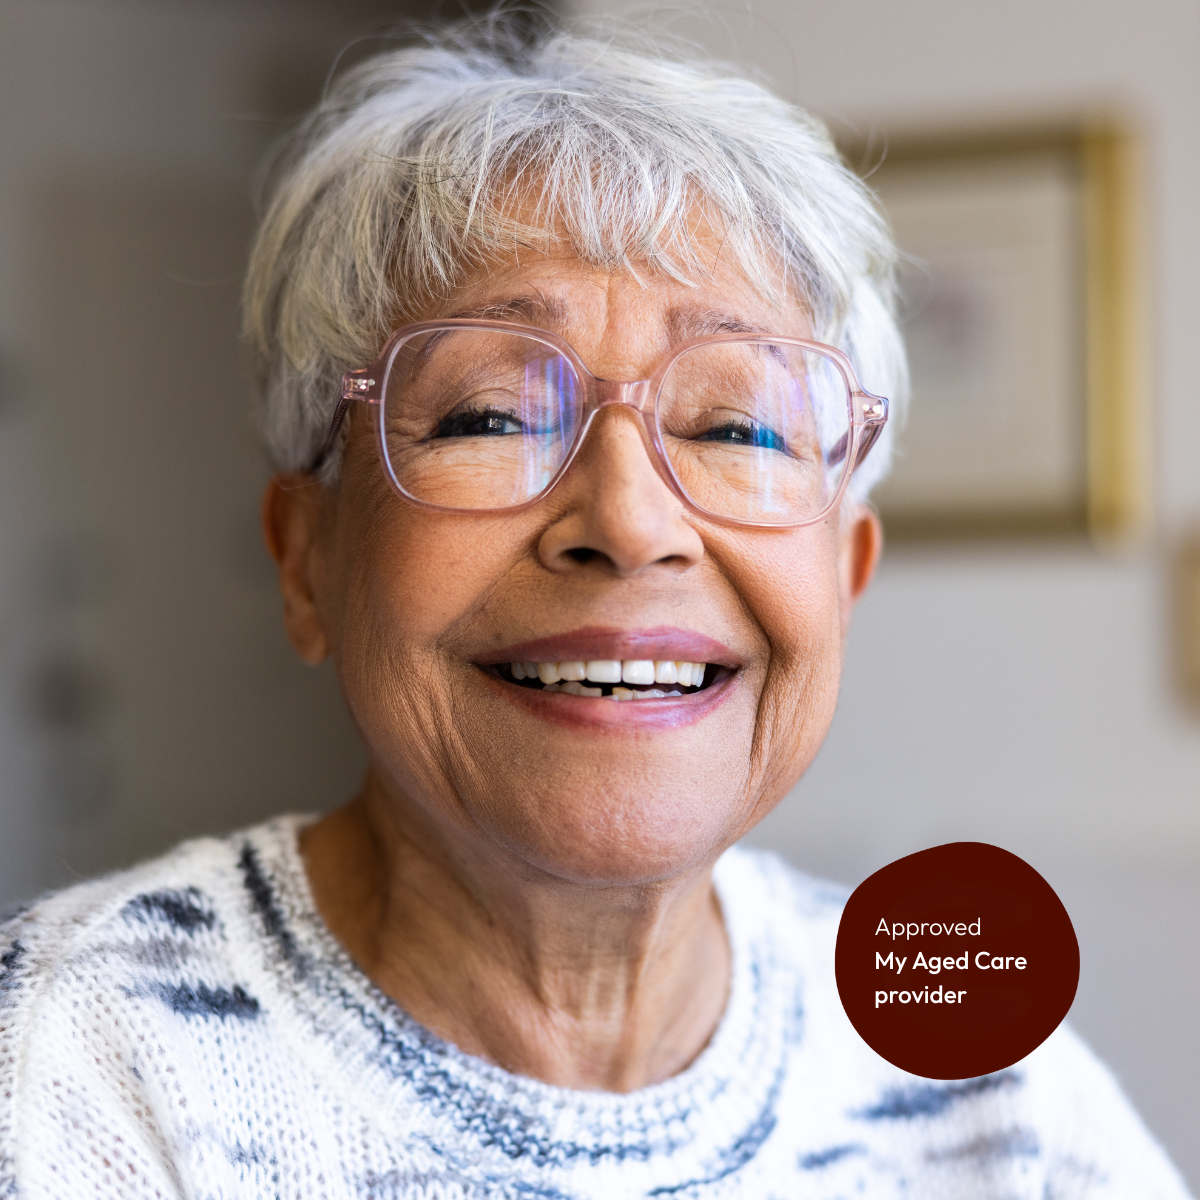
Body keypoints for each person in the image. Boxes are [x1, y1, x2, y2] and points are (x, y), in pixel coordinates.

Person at [0, 18, 1190, 1199]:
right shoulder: (67, 1068)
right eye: (490, 416)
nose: (628, 520)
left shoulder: (979, 1084)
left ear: (846, 574)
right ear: (306, 560)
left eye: (737, 427)